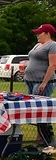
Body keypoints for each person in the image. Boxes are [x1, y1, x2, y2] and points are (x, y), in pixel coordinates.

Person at [22, 23, 56, 153]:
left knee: (41, 110)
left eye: (39, 33)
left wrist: (44, 83)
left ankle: (48, 139)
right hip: (30, 81)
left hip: (42, 81)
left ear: (47, 33)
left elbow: (53, 65)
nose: (37, 35)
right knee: (36, 111)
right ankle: (39, 139)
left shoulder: (52, 45)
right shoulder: (37, 45)